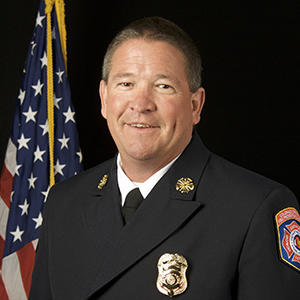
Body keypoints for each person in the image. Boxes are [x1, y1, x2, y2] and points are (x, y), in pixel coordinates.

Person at [29, 17, 300, 299]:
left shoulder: (256, 209)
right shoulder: (64, 203)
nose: (141, 104)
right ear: (104, 98)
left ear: (196, 106)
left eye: (163, 86)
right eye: (126, 83)